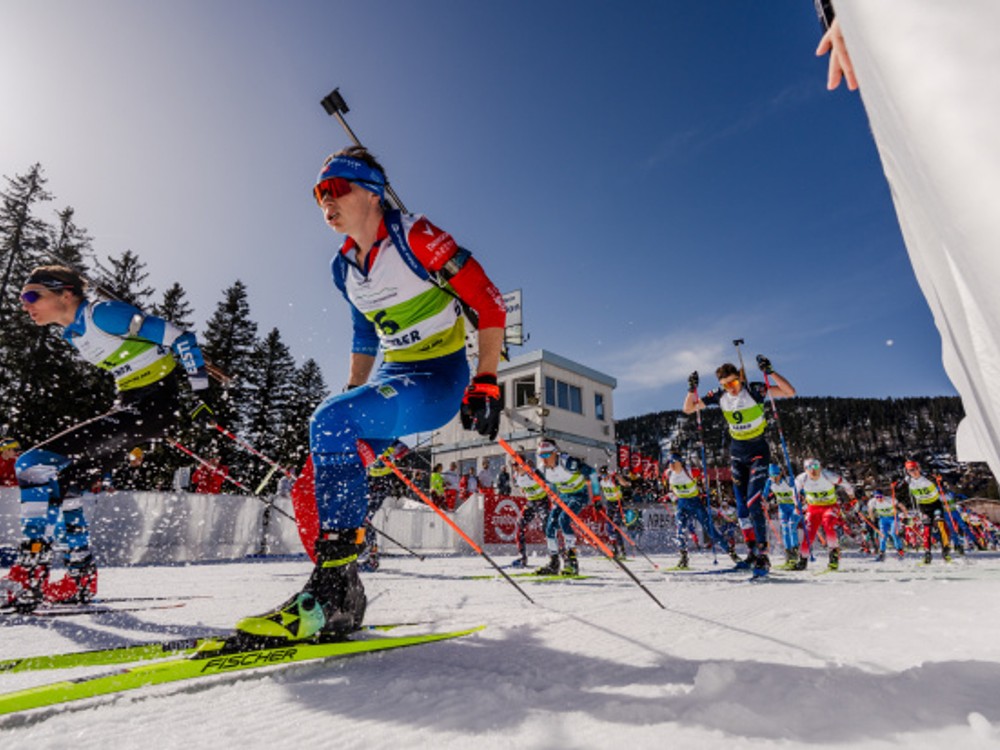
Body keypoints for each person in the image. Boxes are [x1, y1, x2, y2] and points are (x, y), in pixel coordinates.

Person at [234, 146, 506, 645]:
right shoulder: (343, 268)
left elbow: (488, 302)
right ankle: (341, 593)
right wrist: (352, 397)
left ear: (373, 192)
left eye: (336, 189)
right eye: (318, 194)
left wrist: (486, 380)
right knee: (308, 487)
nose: (325, 202)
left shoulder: (417, 238)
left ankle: (330, 594)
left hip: (437, 380)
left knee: (331, 422)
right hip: (393, 378)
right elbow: (364, 334)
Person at [1, 265, 211, 611]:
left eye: (32, 295)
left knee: (32, 464)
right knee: (68, 481)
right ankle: (79, 577)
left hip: (152, 407)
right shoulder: (73, 333)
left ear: (65, 293)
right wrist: (131, 436)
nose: (25, 304)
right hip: (136, 408)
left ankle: (29, 572)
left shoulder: (102, 314)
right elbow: (130, 373)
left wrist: (201, 396)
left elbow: (180, 338)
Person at [683, 356, 796, 574]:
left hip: (758, 452)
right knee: (742, 509)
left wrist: (770, 372)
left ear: (740, 379)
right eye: (726, 385)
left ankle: (763, 554)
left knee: (754, 502)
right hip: (737, 454)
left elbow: (789, 391)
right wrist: (691, 389)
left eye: (734, 383)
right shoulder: (719, 395)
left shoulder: (755, 390)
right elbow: (689, 409)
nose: (731, 389)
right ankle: (752, 551)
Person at [533, 438, 596, 576]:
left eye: (546, 455)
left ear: (555, 453)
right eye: (540, 455)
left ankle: (571, 562)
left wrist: (596, 498)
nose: (543, 459)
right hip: (563, 497)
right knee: (550, 526)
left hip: (579, 495)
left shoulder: (568, 462)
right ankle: (554, 563)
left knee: (564, 520)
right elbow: (547, 483)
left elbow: (592, 472)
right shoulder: (542, 469)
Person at [664, 454, 726, 569]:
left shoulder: (690, 471)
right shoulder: (668, 473)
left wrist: (704, 484)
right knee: (680, 530)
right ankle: (683, 558)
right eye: (670, 463)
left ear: (680, 463)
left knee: (710, 529)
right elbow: (671, 486)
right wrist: (672, 495)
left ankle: (731, 553)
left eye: (673, 463)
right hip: (682, 504)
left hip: (695, 503)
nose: (671, 465)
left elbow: (705, 475)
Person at [793, 458, 856, 571]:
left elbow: (846, 484)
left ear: (820, 467)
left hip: (830, 506)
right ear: (805, 469)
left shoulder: (828, 476)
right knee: (809, 532)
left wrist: (852, 497)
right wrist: (796, 504)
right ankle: (803, 559)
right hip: (813, 508)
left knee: (828, 525)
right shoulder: (802, 478)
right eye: (809, 468)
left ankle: (833, 556)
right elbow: (794, 492)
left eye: (816, 467)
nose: (813, 471)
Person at [902, 460, 954, 564]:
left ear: (919, 468)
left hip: (935, 504)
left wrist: (941, 480)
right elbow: (898, 488)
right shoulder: (908, 480)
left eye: (915, 469)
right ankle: (927, 554)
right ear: (907, 472)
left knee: (941, 525)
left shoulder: (928, 477)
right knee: (926, 529)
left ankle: (945, 551)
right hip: (923, 507)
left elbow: (942, 481)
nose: (913, 472)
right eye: (910, 470)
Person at [511, 454, 551, 568]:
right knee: (520, 526)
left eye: (516, 464)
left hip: (542, 501)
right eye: (512, 465)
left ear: (523, 464)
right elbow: (522, 487)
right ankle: (522, 557)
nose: (514, 467)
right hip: (531, 502)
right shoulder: (515, 476)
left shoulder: (534, 473)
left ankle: (557, 556)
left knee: (547, 528)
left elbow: (548, 484)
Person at [765, 463, 802, 570]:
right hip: (783, 509)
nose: (775, 478)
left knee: (791, 527)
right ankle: (788, 555)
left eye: (776, 475)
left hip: (794, 508)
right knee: (785, 529)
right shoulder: (769, 482)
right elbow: (765, 494)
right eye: (772, 475)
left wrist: (803, 500)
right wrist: (764, 501)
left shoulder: (789, 480)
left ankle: (795, 554)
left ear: (780, 473)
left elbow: (801, 490)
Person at [597, 465, 631, 561]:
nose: (604, 477)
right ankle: (614, 550)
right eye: (602, 475)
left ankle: (621, 550)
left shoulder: (614, 479)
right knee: (609, 527)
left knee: (616, 526)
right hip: (609, 503)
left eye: (605, 475)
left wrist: (617, 476)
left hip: (618, 502)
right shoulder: (600, 480)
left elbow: (625, 484)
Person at [867, 489, 904, 561]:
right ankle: (881, 553)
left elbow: (902, 506)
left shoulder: (890, 500)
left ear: (883, 496)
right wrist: (873, 521)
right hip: (883, 519)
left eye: (880, 496)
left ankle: (899, 550)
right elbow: (870, 511)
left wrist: (905, 516)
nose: (879, 499)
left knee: (894, 534)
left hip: (893, 518)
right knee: (883, 535)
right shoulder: (872, 502)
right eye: (877, 497)